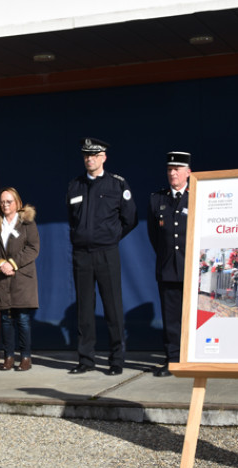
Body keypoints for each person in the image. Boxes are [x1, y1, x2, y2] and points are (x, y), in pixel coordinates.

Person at [67, 137, 138, 375]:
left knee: (113, 309)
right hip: (82, 255)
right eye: (86, 155)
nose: (90, 159)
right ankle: (86, 360)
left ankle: (116, 360)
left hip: (106, 253)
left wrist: (111, 236)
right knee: (84, 310)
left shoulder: (117, 185)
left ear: (104, 157)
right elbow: (72, 220)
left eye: (94, 155)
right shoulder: (75, 185)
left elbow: (130, 219)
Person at [0, 187, 40, 371]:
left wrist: (13, 264)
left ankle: (25, 357)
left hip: (21, 277)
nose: (5, 205)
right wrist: (0, 263)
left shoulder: (27, 223)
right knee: (6, 320)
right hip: (1, 278)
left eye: (9, 201)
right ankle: (8, 356)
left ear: (17, 203)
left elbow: (33, 248)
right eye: (2, 202)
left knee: (22, 319)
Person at [147, 151, 191, 377]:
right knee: (171, 317)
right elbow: (155, 236)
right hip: (168, 268)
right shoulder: (158, 199)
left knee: (193, 317)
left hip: (191, 269)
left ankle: (191, 359)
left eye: (177, 169)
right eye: (169, 170)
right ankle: (173, 360)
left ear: (188, 172)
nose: (173, 173)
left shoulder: (196, 196)